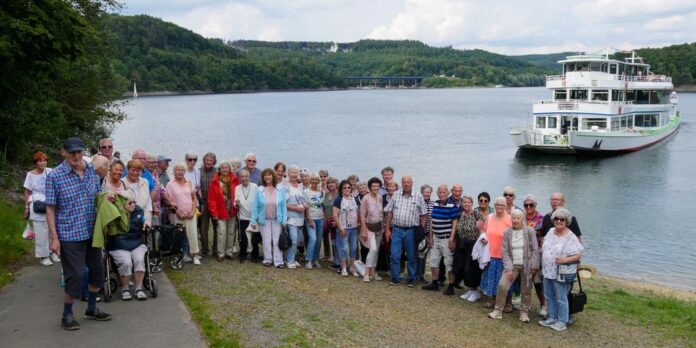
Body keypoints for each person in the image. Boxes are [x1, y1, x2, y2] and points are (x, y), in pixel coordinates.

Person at [46, 137, 111, 330]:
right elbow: (50, 208)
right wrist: (54, 238)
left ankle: (91, 309)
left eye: (79, 152)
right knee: (75, 276)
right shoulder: (55, 176)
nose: (76, 155)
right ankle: (67, 314)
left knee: (97, 273)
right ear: (63, 152)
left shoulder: (92, 171)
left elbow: (99, 197)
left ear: (83, 152)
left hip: (92, 231)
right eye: (71, 152)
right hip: (69, 233)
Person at [488, 209, 539, 323]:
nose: (515, 220)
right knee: (502, 285)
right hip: (513, 265)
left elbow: (535, 249)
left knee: (526, 289)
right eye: (514, 218)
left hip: (527, 265)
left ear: (523, 219)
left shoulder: (530, 231)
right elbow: (505, 251)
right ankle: (497, 311)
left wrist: (534, 265)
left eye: (518, 218)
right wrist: (508, 268)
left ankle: (524, 313)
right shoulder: (507, 232)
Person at [539, 208, 583, 332]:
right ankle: (552, 317)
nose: (559, 221)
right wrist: (543, 250)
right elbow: (545, 243)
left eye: (562, 219)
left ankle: (562, 320)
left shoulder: (570, 236)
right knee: (548, 295)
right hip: (547, 270)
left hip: (560, 272)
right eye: (556, 219)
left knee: (561, 297)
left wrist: (564, 260)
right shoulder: (551, 231)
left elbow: (578, 254)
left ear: (566, 221)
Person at [384, 176, 427, 287]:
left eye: (408, 182)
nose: (406, 184)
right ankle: (395, 278)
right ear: (402, 183)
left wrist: (421, 229)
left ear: (412, 183)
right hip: (397, 230)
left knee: (412, 256)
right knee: (394, 255)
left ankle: (411, 278)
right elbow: (390, 212)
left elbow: (424, 214)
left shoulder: (418, 196)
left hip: (411, 231)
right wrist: (387, 229)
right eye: (404, 182)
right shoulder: (396, 194)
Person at [106, 191, 149, 301]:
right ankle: (125, 289)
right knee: (126, 262)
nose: (133, 205)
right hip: (118, 244)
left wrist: (146, 222)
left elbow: (143, 220)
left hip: (136, 243)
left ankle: (139, 288)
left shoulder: (138, 211)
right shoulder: (114, 212)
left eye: (134, 202)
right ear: (122, 203)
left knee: (139, 259)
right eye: (130, 203)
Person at [423, 185, 460, 295]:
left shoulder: (452, 206)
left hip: (446, 238)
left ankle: (451, 286)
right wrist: (430, 237)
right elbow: (431, 222)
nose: (442, 194)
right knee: (434, 262)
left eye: (444, 192)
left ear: (448, 193)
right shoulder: (435, 204)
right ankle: (434, 282)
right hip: (435, 238)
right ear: (437, 193)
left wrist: (452, 239)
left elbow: (455, 224)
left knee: (449, 263)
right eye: (440, 192)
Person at [23, 151, 59, 266]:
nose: (43, 163)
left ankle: (53, 252)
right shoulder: (30, 175)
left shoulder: (50, 171)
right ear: (36, 163)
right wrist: (27, 207)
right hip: (37, 204)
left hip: (50, 203)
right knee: (41, 232)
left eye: (44, 160)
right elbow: (27, 191)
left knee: (51, 229)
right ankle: (44, 256)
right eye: (40, 161)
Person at [480, 197, 514, 310]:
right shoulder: (490, 217)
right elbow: (484, 230)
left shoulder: (509, 219)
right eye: (497, 205)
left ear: (505, 206)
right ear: (494, 205)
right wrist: (483, 238)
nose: (499, 207)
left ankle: (508, 302)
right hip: (490, 253)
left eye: (502, 205)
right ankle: (493, 299)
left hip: (504, 255)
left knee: (504, 280)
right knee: (492, 278)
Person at [250, 168, 287, 268]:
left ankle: (279, 261)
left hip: (277, 219)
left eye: (269, 175)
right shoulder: (260, 189)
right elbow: (255, 206)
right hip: (264, 219)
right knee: (266, 240)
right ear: (263, 177)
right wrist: (253, 220)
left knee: (276, 241)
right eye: (265, 175)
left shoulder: (280, 189)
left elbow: (283, 205)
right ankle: (267, 259)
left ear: (273, 176)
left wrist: (284, 219)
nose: (267, 177)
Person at [166, 163, 201, 265]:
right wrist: (177, 212)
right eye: (178, 170)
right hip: (179, 214)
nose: (180, 172)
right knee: (179, 235)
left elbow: (194, 198)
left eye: (182, 170)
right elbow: (170, 200)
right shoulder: (170, 184)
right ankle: (180, 255)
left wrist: (193, 210)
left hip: (191, 213)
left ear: (184, 172)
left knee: (193, 234)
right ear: (174, 171)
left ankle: (195, 255)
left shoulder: (189, 183)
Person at [452, 195, 484, 302]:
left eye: (469, 202)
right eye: (464, 202)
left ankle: (476, 291)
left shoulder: (476, 214)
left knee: (470, 268)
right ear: (461, 203)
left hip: (473, 245)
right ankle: (470, 289)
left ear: (472, 203)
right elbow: (457, 229)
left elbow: (481, 231)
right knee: (461, 268)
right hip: (462, 244)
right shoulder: (460, 214)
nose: (466, 204)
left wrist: (481, 245)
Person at [207, 161, 240, 262]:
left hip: (232, 210)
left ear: (229, 169)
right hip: (220, 211)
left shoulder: (235, 179)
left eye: (227, 167)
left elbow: (239, 193)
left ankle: (229, 252)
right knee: (221, 232)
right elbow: (211, 199)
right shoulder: (215, 181)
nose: (225, 169)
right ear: (219, 169)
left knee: (231, 232)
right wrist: (214, 213)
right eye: (223, 168)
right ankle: (220, 253)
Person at [523, 194, 546, 316]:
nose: (528, 207)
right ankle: (525, 303)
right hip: (522, 252)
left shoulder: (541, 218)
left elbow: (541, 235)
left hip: (535, 253)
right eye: (526, 205)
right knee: (524, 279)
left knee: (537, 280)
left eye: (531, 204)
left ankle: (543, 304)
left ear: (535, 205)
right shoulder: (521, 217)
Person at [333, 180, 361, 276]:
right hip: (343, 228)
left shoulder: (355, 199)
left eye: (348, 187)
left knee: (353, 248)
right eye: (344, 187)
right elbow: (335, 215)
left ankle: (352, 267)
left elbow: (358, 212)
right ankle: (344, 267)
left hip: (353, 228)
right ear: (341, 189)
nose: (347, 189)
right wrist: (340, 228)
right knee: (343, 248)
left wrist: (358, 223)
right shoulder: (338, 200)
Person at [359, 177, 384, 282]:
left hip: (379, 227)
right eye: (373, 186)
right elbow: (362, 215)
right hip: (369, 227)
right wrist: (363, 230)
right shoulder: (366, 198)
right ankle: (366, 273)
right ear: (370, 187)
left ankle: (373, 272)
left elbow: (381, 214)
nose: (375, 188)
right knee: (372, 249)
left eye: (377, 186)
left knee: (376, 251)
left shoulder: (380, 197)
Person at [284, 165, 307, 269]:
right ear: (288, 174)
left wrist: (305, 205)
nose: (294, 174)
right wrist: (296, 209)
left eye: (295, 173)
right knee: (293, 239)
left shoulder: (300, 186)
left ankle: (291, 258)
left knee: (296, 240)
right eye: (292, 172)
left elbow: (302, 200)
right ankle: (289, 261)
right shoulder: (286, 187)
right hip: (291, 217)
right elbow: (284, 204)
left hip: (300, 218)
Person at [235, 169, 259, 262]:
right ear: (239, 177)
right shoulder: (237, 188)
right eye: (242, 176)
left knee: (254, 238)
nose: (244, 178)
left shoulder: (255, 186)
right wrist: (236, 203)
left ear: (249, 177)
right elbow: (236, 202)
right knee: (243, 238)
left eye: (246, 176)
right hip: (242, 217)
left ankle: (255, 255)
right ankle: (243, 254)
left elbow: (258, 201)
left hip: (253, 217)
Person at [122, 160, 153, 227]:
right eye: (133, 170)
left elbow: (148, 205)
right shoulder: (122, 182)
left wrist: (147, 220)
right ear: (128, 169)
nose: (135, 173)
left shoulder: (145, 182)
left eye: (138, 170)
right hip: (128, 220)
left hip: (143, 220)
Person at [303, 173, 324, 269]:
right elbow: (305, 207)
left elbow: (323, 205)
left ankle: (316, 259)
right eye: (313, 179)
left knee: (319, 240)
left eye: (316, 179)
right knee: (313, 238)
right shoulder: (306, 192)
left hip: (321, 218)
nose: (314, 181)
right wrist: (308, 219)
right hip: (310, 218)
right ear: (310, 180)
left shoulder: (322, 192)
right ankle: (309, 260)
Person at [199, 152, 218, 256]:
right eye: (207, 160)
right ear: (203, 161)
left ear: (214, 162)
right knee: (203, 227)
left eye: (210, 160)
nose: (208, 162)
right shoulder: (199, 172)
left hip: (215, 202)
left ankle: (215, 249)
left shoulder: (217, 172)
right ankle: (205, 249)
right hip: (204, 202)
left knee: (217, 226)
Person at [322, 177, 339, 266]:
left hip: (335, 220)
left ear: (336, 184)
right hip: (326, 219)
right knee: (325, 237)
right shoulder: (326, 194)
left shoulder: (339, 194)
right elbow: (323, 207)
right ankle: (327, 255)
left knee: (334, 239)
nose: (331, 184)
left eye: (333, 182)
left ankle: (336, 259)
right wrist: (325, 218)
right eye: (329, 183)